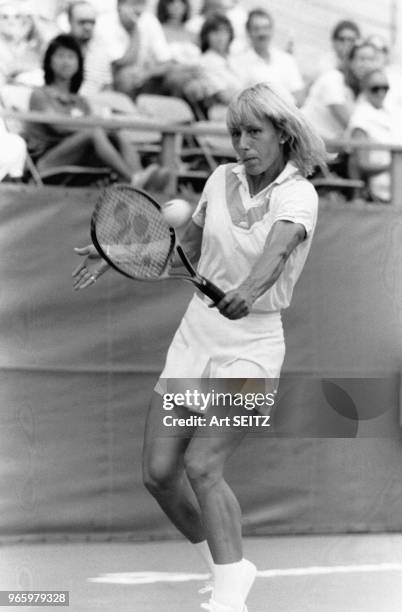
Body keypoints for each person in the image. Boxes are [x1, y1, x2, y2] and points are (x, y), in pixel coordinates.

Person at [72, 82, 327, 612]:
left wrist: (246, 293)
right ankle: (228, 566)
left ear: (282, 133)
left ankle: (230, 597)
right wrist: (114, 250)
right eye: (236, 132)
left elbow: (278, 252)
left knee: (204, 465)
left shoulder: (298, 193)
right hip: (196, 339)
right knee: (159, 475)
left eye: (254, 131)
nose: (243, 143)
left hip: (253, 346)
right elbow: (179, 252)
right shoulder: (218, 179)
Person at [25, 34, 168, 188]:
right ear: (49, 61)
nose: (66, 62)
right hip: (48, 162)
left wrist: (109, 128)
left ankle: (139, 175)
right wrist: (95, 124)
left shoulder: (81, 101)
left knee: (117, 133)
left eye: (71, 57)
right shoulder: (40, 94)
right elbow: (60, 126)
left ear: (79, 64)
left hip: (80, 157)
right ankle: (132, 179)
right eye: (60, 56)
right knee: (94, 131)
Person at [94, 0, 172, 98]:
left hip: (144, 73)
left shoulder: (149, 19)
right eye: (134, 3)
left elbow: (166, 61)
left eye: (142, 4)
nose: (139, 9)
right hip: (109, 78)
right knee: (127, 76)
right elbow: (122, 62)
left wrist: (146, 74)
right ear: (120, 6)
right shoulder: (105, 22)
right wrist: (136, 29)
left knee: (175, 76)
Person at [348, 68, 402, 203]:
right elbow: (362, 164)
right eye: (375, 88)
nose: (381, 92)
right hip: (383, 186)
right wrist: (394, 165)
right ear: (365, 89)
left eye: (385, 87)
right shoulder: (361, 118)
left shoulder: (392, 112)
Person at [231, 9, 305, 106]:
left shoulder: (287, 60)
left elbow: (299, 96)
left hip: (288, 115)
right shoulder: (238, 62)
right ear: (248, 32)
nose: (262, 33)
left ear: (272, 30)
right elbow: (239, 99)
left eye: (266, 28)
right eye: (256, 29)